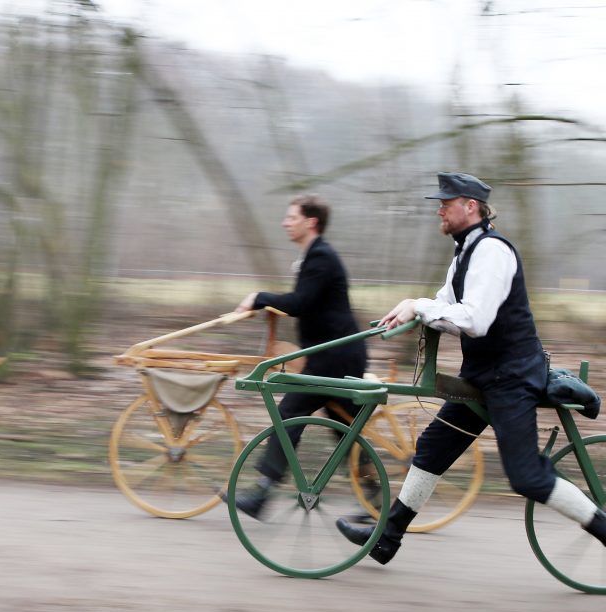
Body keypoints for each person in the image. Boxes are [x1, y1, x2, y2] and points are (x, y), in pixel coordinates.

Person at [335, 171, 606, 563]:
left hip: (512, 378)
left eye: (446, 203)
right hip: (484, 376)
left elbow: (474, 320)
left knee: (526, 476)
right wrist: (412, 306)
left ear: (471, 207)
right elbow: (445, 304)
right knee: (432, 448)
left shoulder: (493, 252)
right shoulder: (464, 253)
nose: (440, 210)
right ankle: (387, 538)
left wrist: (422, 306)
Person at [224, 194, 369, 519]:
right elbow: (307, 303)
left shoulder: (320, 257)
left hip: (334, 358)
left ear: (311, 222)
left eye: (291, 217)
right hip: (335, 354)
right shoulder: (315, 256)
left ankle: (262, 493)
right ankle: (373, 498)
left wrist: (258, 298)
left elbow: (300, 302)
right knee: (345, 428)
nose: (284, 222)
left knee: (289, 413)